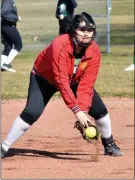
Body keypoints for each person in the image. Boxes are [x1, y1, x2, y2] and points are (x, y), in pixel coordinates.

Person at [1, 12, 123, 158]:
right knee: (32, 112)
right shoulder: (60, 45)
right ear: (73, 31)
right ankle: (4, 147)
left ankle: (109, 144)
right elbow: (61, 80)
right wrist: (77, 111)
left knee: (99, 110)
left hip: (73, 80)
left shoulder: (94, 51)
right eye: (82, 30)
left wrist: (83, 111)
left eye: (90, 30)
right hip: (44, 78)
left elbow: (86, 84)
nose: (86, 34)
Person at [1, 0, 22, 73]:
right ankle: (6, 63)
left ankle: (2, 65)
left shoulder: (6, 0)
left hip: (5, 26)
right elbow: (3, 13)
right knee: (19, 44)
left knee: (8, 46)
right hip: (9, 26)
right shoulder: (8, 1)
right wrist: (16, 18)